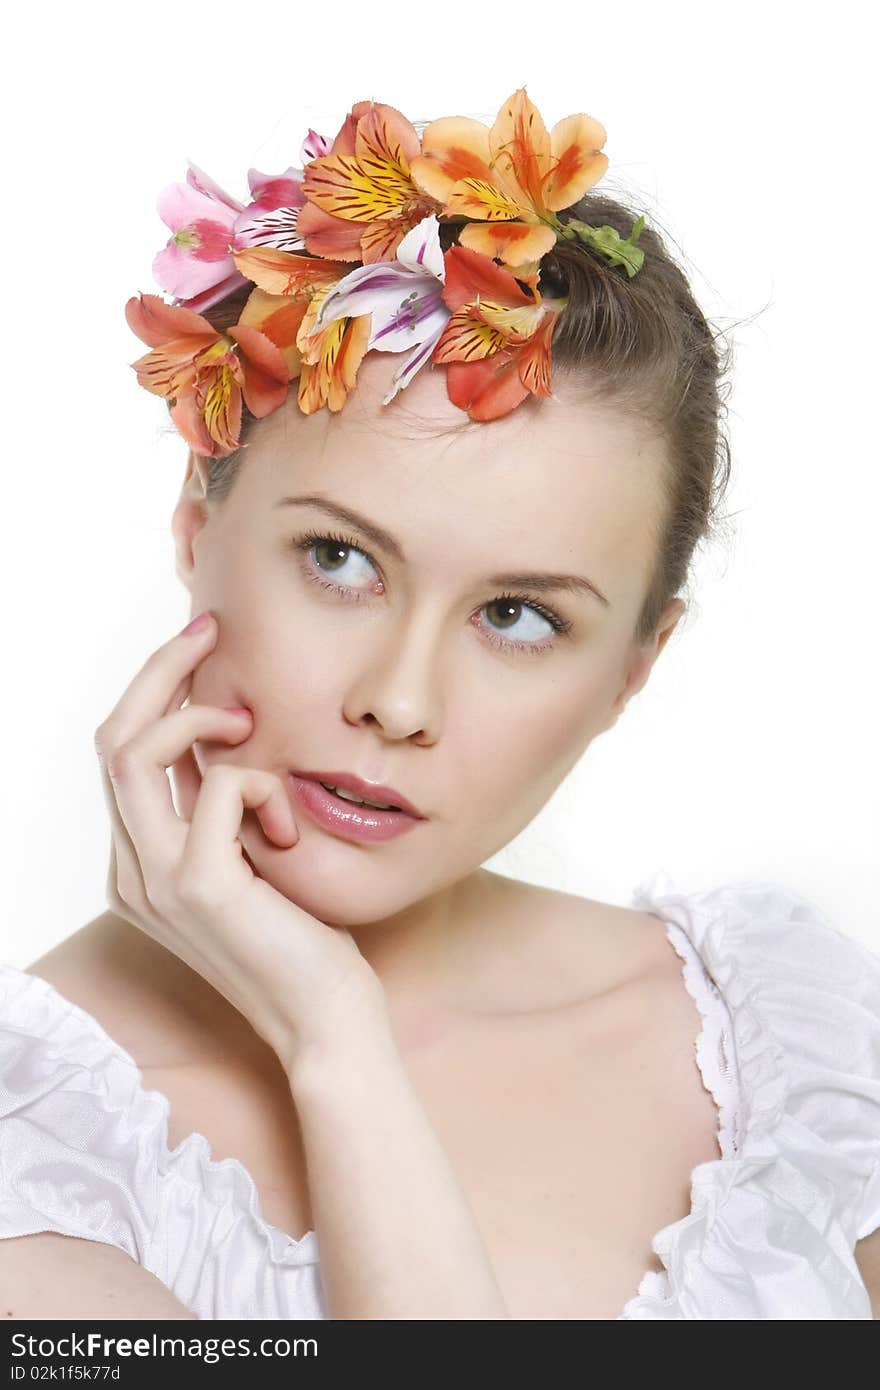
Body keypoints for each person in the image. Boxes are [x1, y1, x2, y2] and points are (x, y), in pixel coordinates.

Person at [1, 90, 879, 1321]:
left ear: (635, 666)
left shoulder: (783, 1037)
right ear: (199, 531)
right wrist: (336, 1043)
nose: (400, 702)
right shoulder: (37, 1148)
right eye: (340, 560)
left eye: (520, 615)